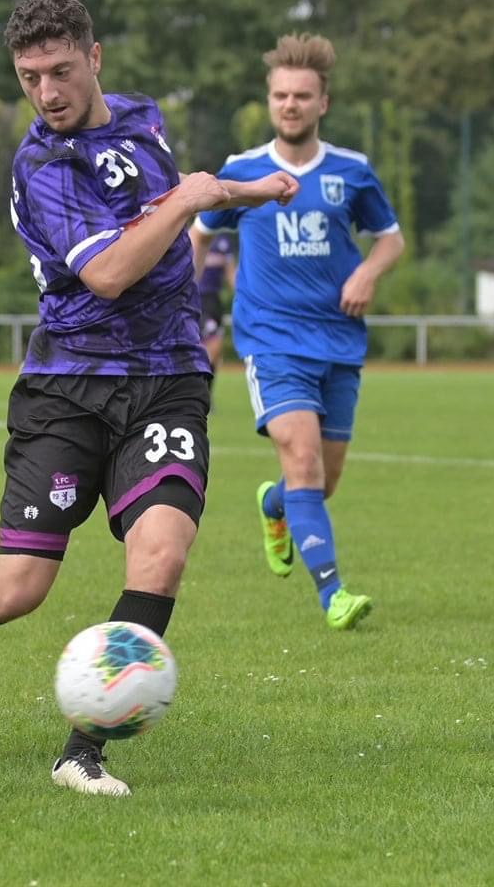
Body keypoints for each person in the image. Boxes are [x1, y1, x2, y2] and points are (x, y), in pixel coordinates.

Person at [0, 0, 297, 796]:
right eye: (29, 77)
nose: (47, 91)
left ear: (94, 59)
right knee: (18, 589)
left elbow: (175, 195)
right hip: (67, 387)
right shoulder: (43, 169)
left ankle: (81, 751)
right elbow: (110, 271)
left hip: (168, 380)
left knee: (160, 554)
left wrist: (244, 193)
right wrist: (199, 199)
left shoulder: (139, 117)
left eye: (60, 71)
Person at [190, 33, 404, 631]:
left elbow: (392, 238)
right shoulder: (243, 172)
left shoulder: (352, 172)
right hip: (270, 341)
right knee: (304, 460)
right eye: (281, 94)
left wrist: (367, 269)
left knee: (320, 482)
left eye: (302, 95)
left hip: (340, 340)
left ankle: (273, 502)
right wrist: (179, 297)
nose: (290, 104)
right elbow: (199, 232)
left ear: (323, 103)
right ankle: (334, 594)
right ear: (269, 100)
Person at [195, 229, 235, 386]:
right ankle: (201, 391)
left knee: (215, 353)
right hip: (198, 299)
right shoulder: (194, 235)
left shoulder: (223, 241)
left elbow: (231, 275)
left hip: (215, 301)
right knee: (212, 347)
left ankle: (206, 393)